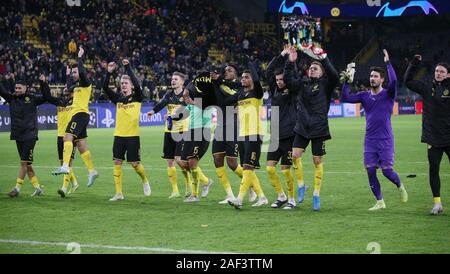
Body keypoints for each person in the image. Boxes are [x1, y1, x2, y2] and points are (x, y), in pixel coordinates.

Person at [341, 49, 408, 211]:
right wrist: (347, 82)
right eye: (371, 76)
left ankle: (400, 186)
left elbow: (394, 82)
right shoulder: (364, 96)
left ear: (382, 79)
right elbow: (345, 97)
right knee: (370, 171)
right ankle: (380, 202)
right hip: (370, 140)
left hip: (385, 139)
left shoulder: (388, 94)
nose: (372, 78)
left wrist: (388, 63)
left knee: (387, 172)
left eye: (376, 76)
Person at [284, 45, 339, 211]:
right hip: (302, 127)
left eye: (316, 68)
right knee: (294, 155)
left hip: (319, 128)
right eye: (311, 68)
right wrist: (290, 63)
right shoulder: (302, 83)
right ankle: (301, 185)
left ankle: (316, 194)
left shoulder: (326, 85)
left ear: (322, 72)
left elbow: (335, 76)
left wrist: (324, 58)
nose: (312, 70)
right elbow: (288, 81)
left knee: (317, 161)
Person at [404, 54, 450, 215]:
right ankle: (437, 203)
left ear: (448, 75)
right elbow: (408, 81)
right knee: (434, 170)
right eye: (437, 71)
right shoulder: (426, 88)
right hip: (433, 138)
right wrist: (414, 63)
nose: (438, 73)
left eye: (442, 72)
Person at [103, 59, 151, 201]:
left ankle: (144, 180)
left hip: (132, 136)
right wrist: (108, 72)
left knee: (135, 164)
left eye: (126, 83)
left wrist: (127, 67)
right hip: (118, 135)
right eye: (122, 83)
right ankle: (119, 193)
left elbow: (137, 84)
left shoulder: (137, 97)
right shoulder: (117, 98)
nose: (123, 85)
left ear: (130, 85)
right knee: (117, 162)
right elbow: (105, 87)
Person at [52, 46, 99, 188]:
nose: (73, 74)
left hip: (79, 114)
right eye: (72, 72)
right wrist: (67, 74)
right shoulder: (77, 85)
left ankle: (65, 166)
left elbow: (83, 73)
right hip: (81, 116)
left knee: (67, 137)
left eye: (75, 72)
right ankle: (92, 171)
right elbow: (69, 86)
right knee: (81, 145)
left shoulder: (85, 82)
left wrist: (80, 57)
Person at [210, 65, 256, 204]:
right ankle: (229, 194)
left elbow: (227, 100)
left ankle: (252, 186)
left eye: (229, 71)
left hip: (233, 125)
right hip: (219, 126)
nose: (226, 73)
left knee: (232, 163)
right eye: (225, 72)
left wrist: (219, 83)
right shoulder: (220, 85)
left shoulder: (239, 88)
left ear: (236, 75)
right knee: (217, 159)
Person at [226, 60, 268, 209]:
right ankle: (262, 197)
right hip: (242, 135)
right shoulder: (240, 95)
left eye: (246, 77)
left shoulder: (257, 93)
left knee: (248, 168)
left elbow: (256, 80)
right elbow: (225, 101)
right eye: (242, 77)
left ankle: (239, 199)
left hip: (255, 134)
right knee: (246, 168)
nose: (243, 79)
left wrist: (250, 63)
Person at [147, 72, 192, 198]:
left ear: (182, 82)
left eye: (176, 79)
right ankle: (175, 190)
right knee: (169, 161)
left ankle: (190, 183)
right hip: (169, 131)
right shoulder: (169, 94)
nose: (173, 81)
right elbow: (162, 103)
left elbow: (183, 111)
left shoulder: (186, 95)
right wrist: (153, 111)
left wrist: (172, 116)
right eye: (172, 79)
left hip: (182, 130)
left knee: (180, 160)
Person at [0, 76, 45, 197]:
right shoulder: (12, 98)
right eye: (16, 88)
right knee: (27, 164)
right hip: (18, 135)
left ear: (26, 88)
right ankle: (37, 188)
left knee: (23, 163)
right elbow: (2, 90)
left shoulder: (32, 99)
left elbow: (46, 97)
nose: (17, 89)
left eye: (20, 87)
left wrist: (43, 83)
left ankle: (17, 189)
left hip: (30, 135)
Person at [265, 47, 298, 209]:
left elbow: (292, 77)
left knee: (285, 170)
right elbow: (268, 71)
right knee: (270, 169)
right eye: (277, 80)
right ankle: (281, 196)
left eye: (281, 79)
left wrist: (291, 62)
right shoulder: (275, 91)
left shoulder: (292, 90)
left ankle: (292, 199)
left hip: (289, 137)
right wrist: (282, 54)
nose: (279, 82)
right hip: (275, 136)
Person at [39, 72, 79, 197]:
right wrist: (43, 82)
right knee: (63, 164)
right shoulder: (60, 101)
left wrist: (69, 76)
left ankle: (64, 188)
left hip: (71, 136)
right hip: (60, 136)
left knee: (68, 163)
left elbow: (73, 86)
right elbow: (47, 96)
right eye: (65, 88)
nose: (65, 89)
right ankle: (75, 182)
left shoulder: (77, 102)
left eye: (68, 87)